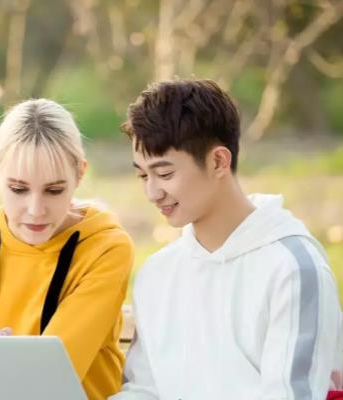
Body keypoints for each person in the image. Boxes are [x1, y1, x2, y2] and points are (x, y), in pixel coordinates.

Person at [111, 79, 342, 399]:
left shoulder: (293, 270)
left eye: (164, 174)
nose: (152, 192)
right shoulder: (157, 273)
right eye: (142, 175)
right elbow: (144, 389)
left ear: (219, 161)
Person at [0, 98, 134, 399]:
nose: (36, 210)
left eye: (54, 190)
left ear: (80, 174)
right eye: (18, 189)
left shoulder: (105, 248)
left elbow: (54, 375)